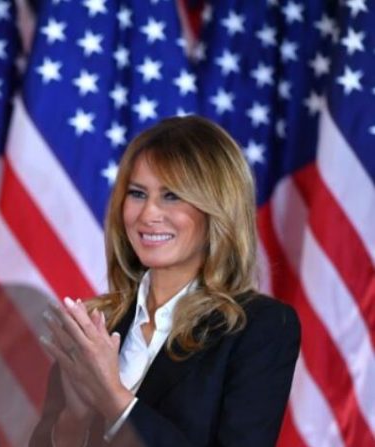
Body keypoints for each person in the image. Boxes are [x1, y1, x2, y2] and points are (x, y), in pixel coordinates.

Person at [32, 115, 301, 446]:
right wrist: (73, 418)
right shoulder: (96, 325)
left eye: (171, 195)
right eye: (137, 193)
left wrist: (115, 400)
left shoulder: (260, 327)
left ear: (218, 208)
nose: (148, 214)